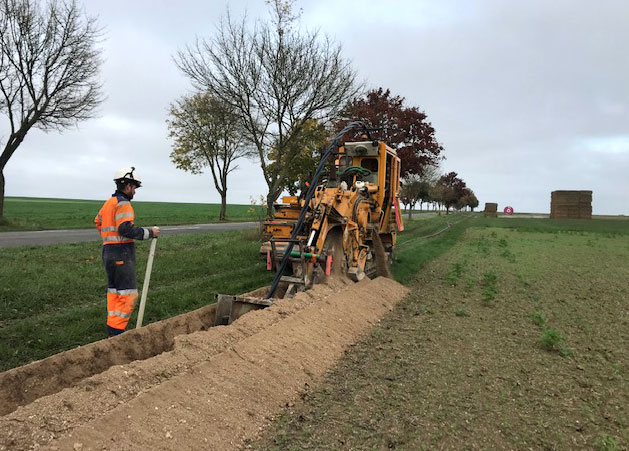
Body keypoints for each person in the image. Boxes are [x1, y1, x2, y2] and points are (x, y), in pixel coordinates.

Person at [94, 167, 160, 336]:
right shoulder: (124, 203)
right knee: (128, 294)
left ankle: (112, 328)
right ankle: (117, 333)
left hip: (108, 252)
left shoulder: (109, 203)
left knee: (115, 293)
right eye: (135, 187)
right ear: (128, 186)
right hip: (121, 254)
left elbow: (98, 221)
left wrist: (109, 239)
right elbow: (125, 228)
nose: (135, 191)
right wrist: (150, 233)